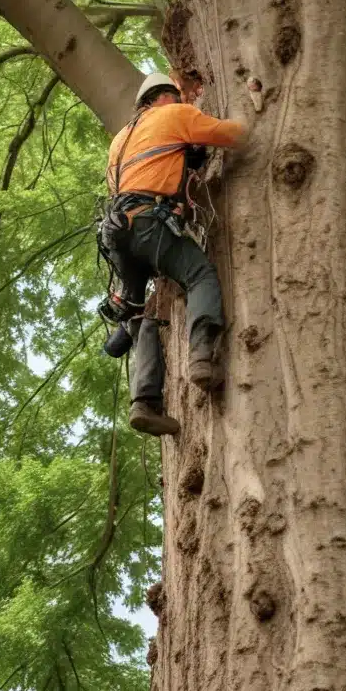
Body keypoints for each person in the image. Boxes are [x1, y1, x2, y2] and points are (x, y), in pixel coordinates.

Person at [100, 73, 246, 437]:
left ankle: (144, 402)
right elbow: (234, 135)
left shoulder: (120, 140)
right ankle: (200, 356)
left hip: (117, 232)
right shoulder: (174, 114)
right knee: (199, 275)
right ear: (166, 96)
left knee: (145, 310)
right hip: (150, 223)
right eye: (179, 96)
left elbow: (143, 176)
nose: (184, 100)